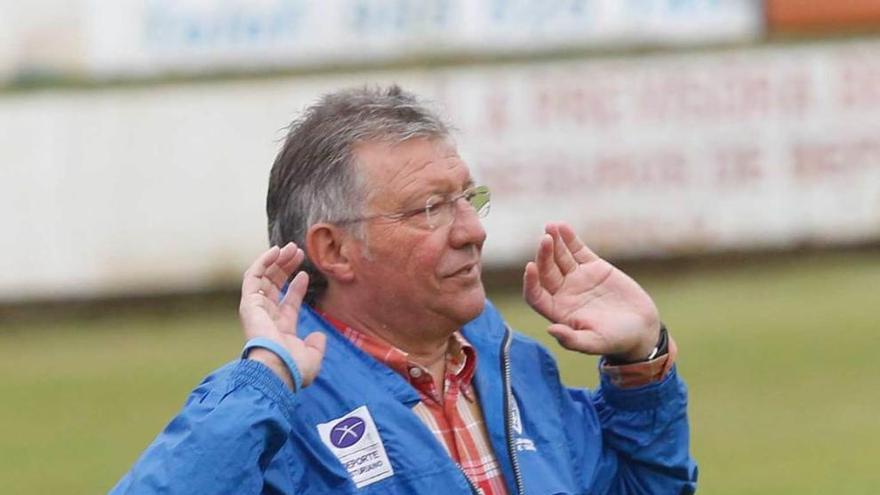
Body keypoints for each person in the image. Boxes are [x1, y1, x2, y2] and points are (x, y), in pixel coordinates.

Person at [111, 85, 697, 494]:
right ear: (335, 250)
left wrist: (639, 367)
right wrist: (265, 379)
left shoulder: (517, 368)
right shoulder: (274, 413)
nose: (472, 230)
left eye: (469, 198)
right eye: (430, 208)